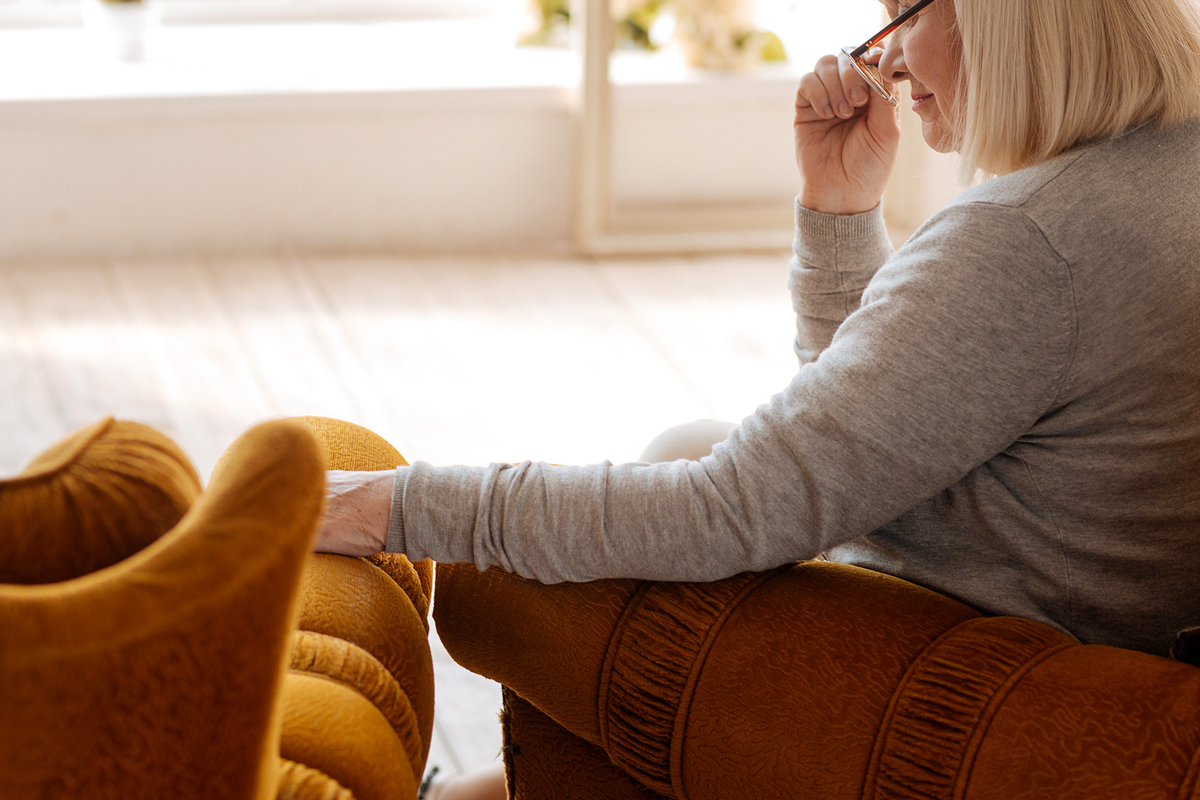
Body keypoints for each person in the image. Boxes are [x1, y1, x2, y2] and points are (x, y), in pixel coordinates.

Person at [319, 0, 1200, 795]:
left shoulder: (1026, 239)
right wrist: (842, 207)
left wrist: (389, 504)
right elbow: (880, 430)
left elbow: (728, 512)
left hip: (1013, 667)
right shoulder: (1168, 168)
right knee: (686, 441)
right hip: (1116, 620)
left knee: (533, 563)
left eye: (903, 12)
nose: (883, 57)